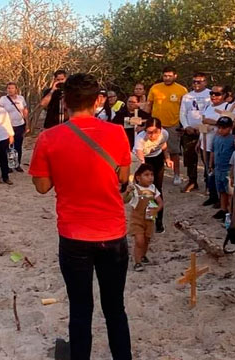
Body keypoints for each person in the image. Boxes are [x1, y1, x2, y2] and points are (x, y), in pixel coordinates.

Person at [29, 73, 132, 360]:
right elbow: (122, 177)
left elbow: (41, 187)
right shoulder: (117, 133)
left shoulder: (49, 138)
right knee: (115, 308)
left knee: (80, 309)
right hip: (113, 234)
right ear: (97, 100)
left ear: (65, 100)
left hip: (74, 235)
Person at [148, 66, 187, 185]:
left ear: (175, 76)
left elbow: (185, 109)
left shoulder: (182, 90)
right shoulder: (155, 88)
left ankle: (176, 175)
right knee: (153, 151)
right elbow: (149, 105)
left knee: (174, 151)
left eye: (170, 76)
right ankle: (154, 175)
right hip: (156, 126)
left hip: (173, 124)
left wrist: (182, 125)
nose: (167, 78)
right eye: (165, 76)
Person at [134, 118, 175, 233]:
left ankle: (159, 221)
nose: (152, 135)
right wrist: (144, 176)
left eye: (155, 132)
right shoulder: (140, 139)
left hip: (157, 158)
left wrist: (167, 158)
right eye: (149, 132)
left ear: (160, 130)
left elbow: (164, 146)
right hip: (143, 160)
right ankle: (147, 220)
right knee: (146, 191)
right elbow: (140, 158)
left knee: (157, 189)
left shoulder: (165, 134)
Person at [123, 163, 162, 272]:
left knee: (147, 239)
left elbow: (160, 202)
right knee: (139, 241)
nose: (150, 177)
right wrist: (127, 191)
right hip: (137, 219)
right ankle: (137, 262)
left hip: (150, 219)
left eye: (152, 175)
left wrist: (156, 209)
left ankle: (143, 256)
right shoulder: (134, 189)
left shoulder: (153, 188)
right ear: (138, 177)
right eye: (146, 175)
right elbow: (123, 200)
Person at [201, 86, 233, 207]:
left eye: (217, 94)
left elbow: (232, 123)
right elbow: (203, 122)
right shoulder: (208, 106)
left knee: (220, 172)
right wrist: (200, 141)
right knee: (209, 171)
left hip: (221, 144)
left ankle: (222, 200)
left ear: (224, 95)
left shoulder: (228, 107)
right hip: (206, 142)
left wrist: (213, 122)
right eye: (211, 93)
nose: (213, 96)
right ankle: (212, 196)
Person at [179, 73, 211, 192]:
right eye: (194, 82)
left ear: (205, 82)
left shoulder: (210, 94)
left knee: (206, 157)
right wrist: (186, 126)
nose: (196, 84)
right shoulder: (187, 96)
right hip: (190, 130)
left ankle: (209, 182)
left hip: (205, 130)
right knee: (189, 156)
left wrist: (201, 126)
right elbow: (182, 113)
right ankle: (192, 181)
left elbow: (211, 112)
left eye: (199, 81)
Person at [0, 82, 29, 172]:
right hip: (7, 126)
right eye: (8, 88)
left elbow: (25, 111)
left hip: (19, 124)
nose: (10, 90)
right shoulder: (3, 99)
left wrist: (27, 124)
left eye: (12, 88)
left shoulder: (21, 98)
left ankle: (17, 164)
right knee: (7, 146)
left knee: (18, 146)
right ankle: (7, 165)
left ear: (16, 89)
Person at [212, 117, 235, 220]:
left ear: (230, 128)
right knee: (221, 191)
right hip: (218, 168)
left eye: (224, 128)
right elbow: (213, 151)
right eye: (219, 127)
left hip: (227, 169)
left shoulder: (233, 140)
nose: (221, 130)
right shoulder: (216, 137)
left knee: (229, 192)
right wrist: (210, 164)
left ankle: (231, 212)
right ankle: (223, 209)